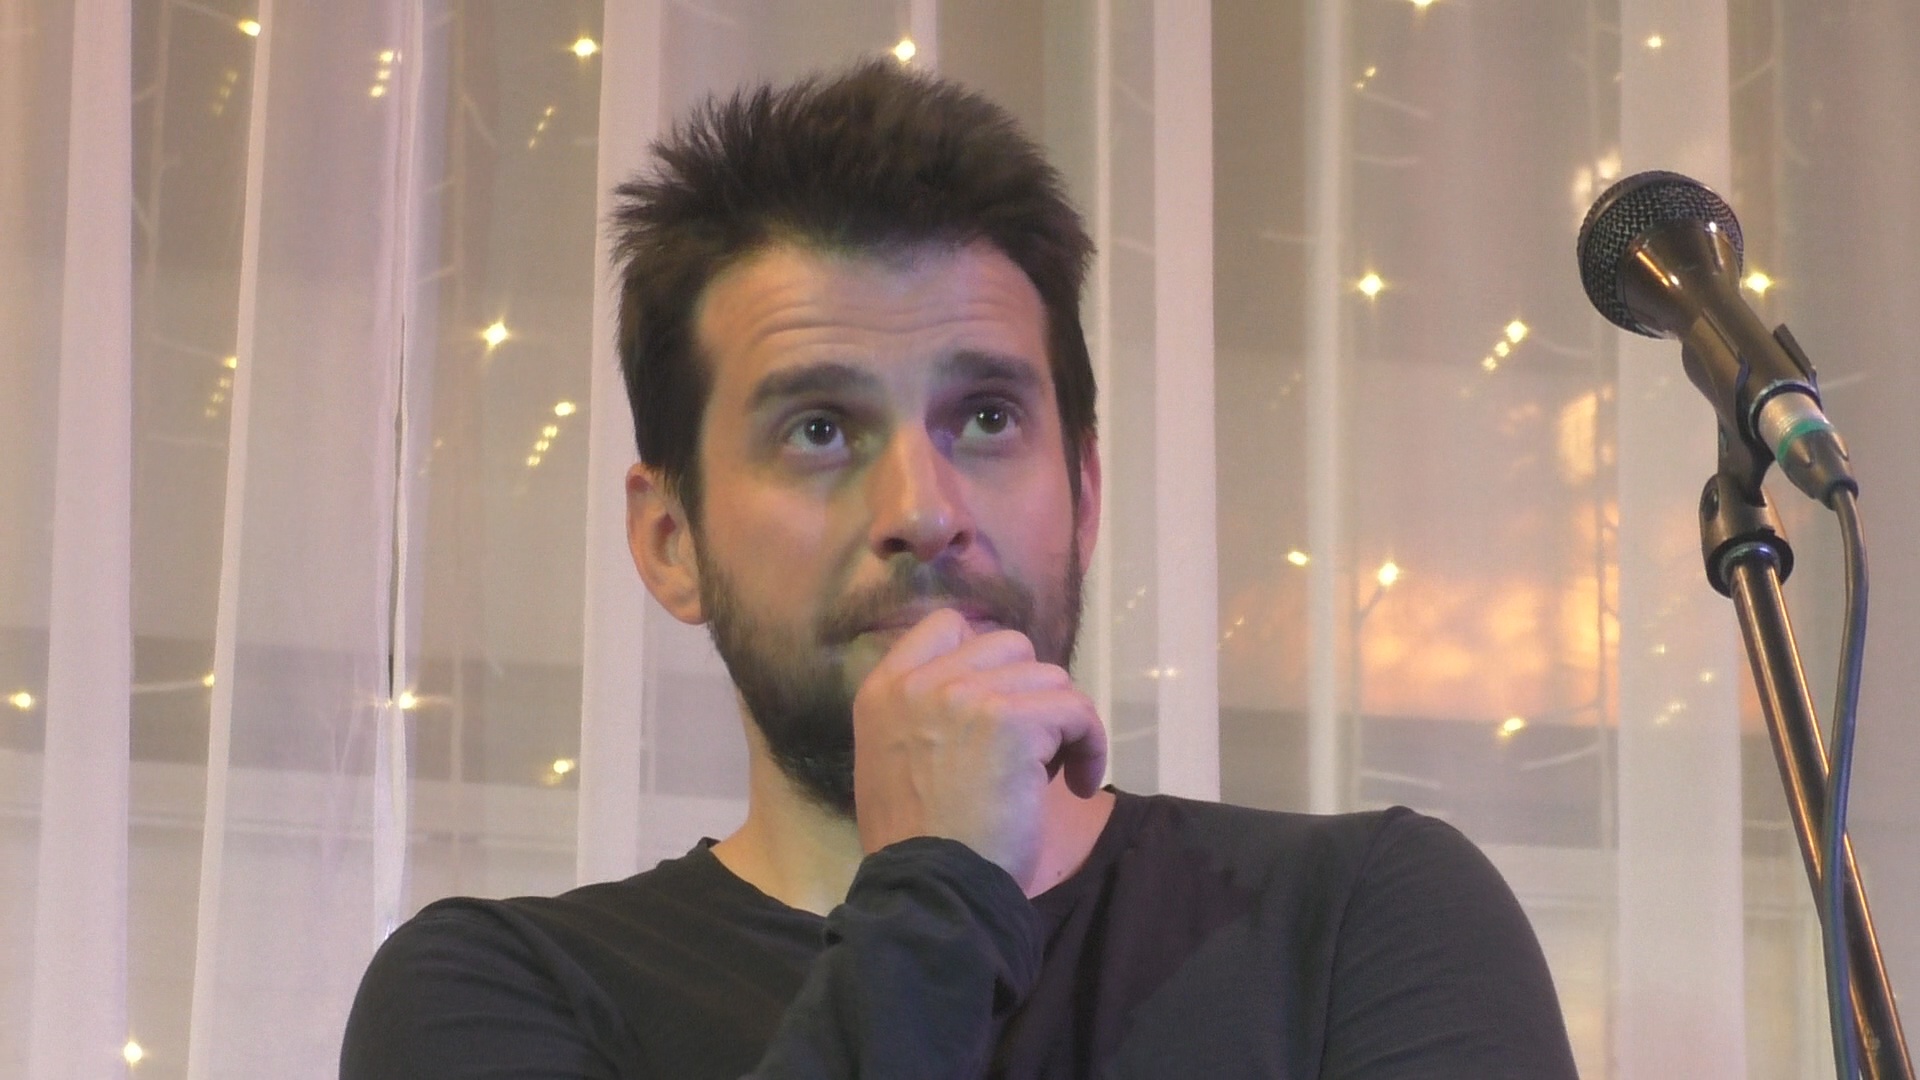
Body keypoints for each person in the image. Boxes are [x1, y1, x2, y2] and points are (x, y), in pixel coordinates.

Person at [340, 60, 1578, 1079]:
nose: (923, 512)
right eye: (818, 429)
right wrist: (940, 889)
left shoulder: (1366, 916)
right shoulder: (500, 994)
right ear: (673, 543)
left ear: (1083, 495)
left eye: (985, 419)